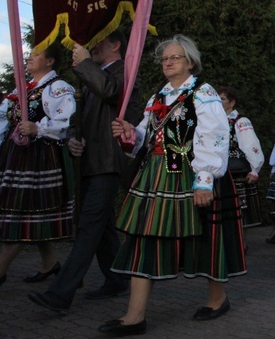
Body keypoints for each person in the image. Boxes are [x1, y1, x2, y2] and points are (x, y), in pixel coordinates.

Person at [98, 35, 246, 335]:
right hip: (155, 174)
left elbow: (214, 137)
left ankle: (218, 299)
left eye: (174, 57)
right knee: (142, 237)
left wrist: (204, 181)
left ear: (190, 61)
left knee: (203, 237)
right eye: (164, 58)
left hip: (189, 173)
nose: (167, 62)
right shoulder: (159, 96)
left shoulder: (203, 94)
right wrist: (130, 132)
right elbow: (146, 136)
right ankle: (134, 316)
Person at [28, 31, 140, 313]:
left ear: (115, 45)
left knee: (89, 226)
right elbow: (83, 118)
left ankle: (60, 294)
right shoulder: (95, 75)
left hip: (109, 161)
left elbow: (112, 92)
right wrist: (74, 138)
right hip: (92, 161)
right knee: (102, 228)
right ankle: (116, 280)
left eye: (99, 42)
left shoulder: (124, 72)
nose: (92, 47)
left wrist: (86, 64)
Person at [0, 44, 75, 290]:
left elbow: (65, 121)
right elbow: (2, 118)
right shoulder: (21, 89)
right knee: (30, 210)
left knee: (24, 209)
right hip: (14, 155)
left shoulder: (57, 88)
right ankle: (50, 263)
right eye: (30, 54)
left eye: (36, 55)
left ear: (51, 61)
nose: (30, 58)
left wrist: (39, 128)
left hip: (39, 155)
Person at [218, 87, 264, 230]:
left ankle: (241, 247)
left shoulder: (241, 121)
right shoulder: (214, 121)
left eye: (223, 99)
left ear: (231, 103)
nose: (219, 102)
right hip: (218, 172)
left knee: (240, 211)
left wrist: (255, 170)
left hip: (236, 172)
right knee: (220, 211)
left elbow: (251, 146)